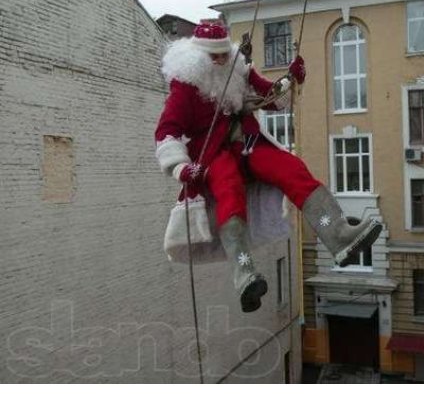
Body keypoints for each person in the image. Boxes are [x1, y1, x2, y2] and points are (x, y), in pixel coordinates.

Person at [155, 23, 382, 312]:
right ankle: (244, 272)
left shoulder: (238, 70)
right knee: (228, 189)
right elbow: (166, 132)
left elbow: (272, 98)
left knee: (291, 168)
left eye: (225, 54)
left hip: (247, 145)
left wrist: (292, 80)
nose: (222, 61)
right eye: (215, 57)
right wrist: (181, 168)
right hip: (212, 154)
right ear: (198, 57)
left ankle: (338, 235)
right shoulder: (185, 86)